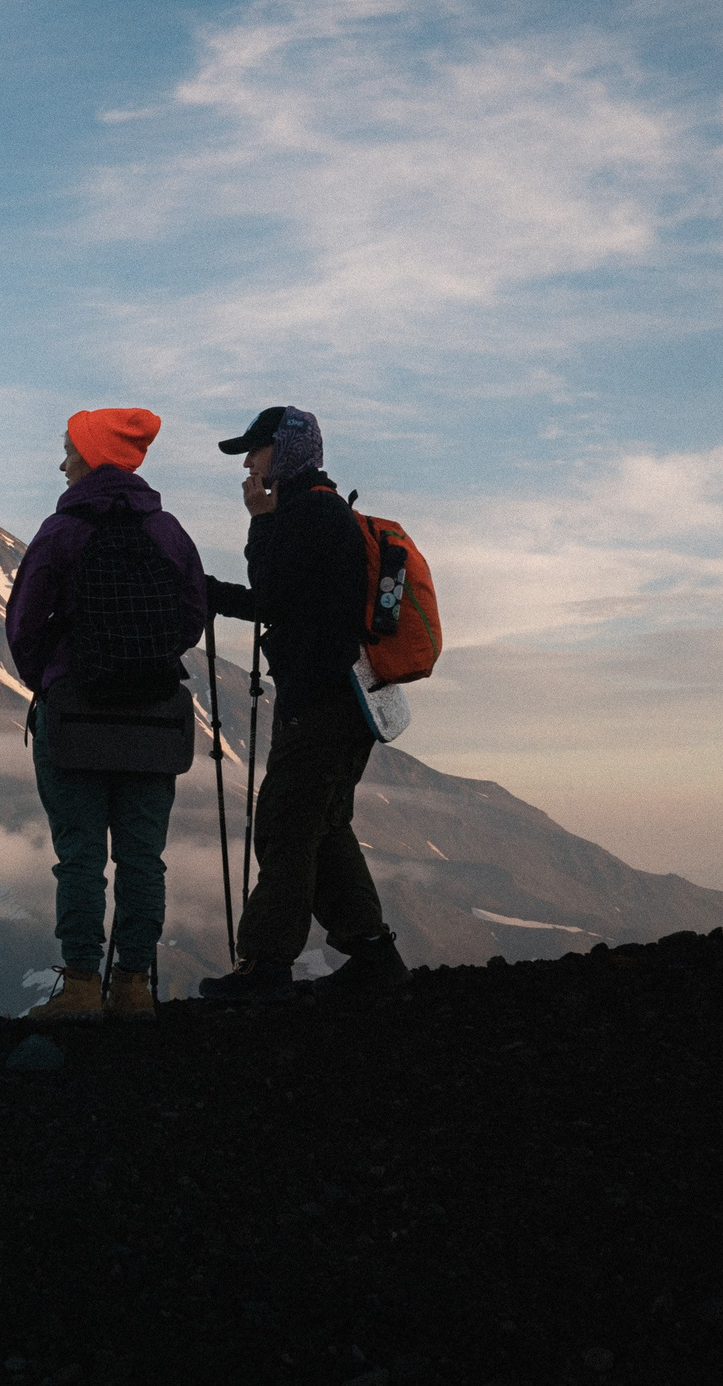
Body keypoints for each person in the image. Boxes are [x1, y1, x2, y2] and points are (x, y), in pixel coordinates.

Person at [3, 409, 207, 1023]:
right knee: (144, 856)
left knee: (81, 856)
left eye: (68, 450)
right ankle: (136, 988)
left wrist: (57, 677)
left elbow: (23, 624)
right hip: (152, 718)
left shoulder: (62, 530)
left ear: (90, 458)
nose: (62, 462)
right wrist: (144, 659)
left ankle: (83, 987)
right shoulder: (167, 530)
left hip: (76, 718)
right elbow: (191, 614)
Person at [199, 407, 408, 1002]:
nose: (247, 463)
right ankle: (373, 955)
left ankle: (266, 966)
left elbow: (273, 597)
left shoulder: (309, 515)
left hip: (321, 701)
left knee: (286, 827)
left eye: (256, 450)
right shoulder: (325, 511)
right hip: (344, 702)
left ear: (284, 451)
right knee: (324, 827)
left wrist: (258, 524)